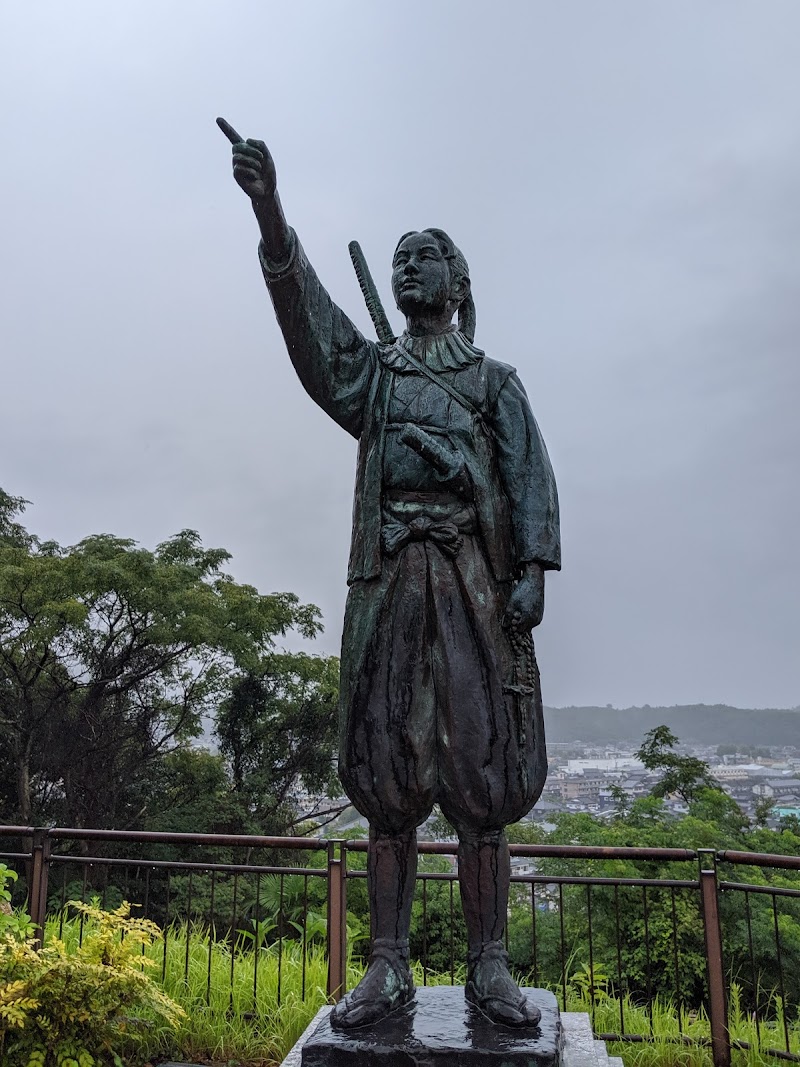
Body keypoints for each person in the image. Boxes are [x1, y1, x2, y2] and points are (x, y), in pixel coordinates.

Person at [226, 134, 561, 1029]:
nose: (409, 267)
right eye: (400, 258)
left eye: (426, 257)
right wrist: (270, 214)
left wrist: (530, 573)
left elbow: (529, 477)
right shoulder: (374, 376)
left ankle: (490, 963)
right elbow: (316, 332)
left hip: (472, 583)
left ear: (458, 281)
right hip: (390, 581)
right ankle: (386, 962)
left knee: (482, 772)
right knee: (386, 770)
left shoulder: (494, 382)